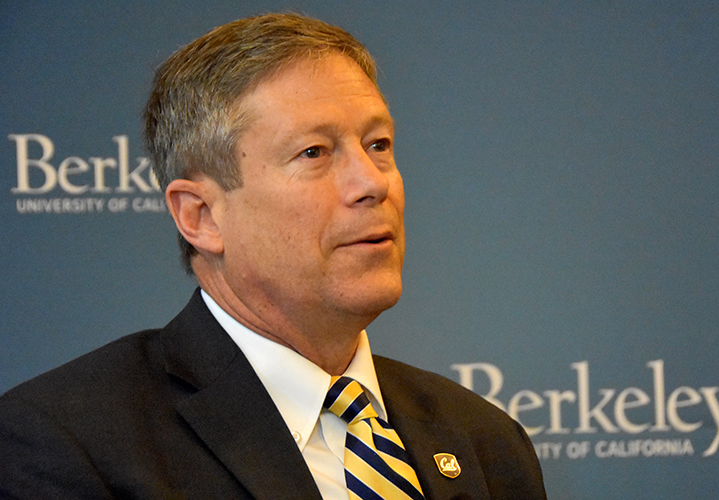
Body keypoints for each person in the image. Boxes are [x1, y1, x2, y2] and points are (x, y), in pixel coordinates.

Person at [0, 13, 546, 499]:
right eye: (314, 152)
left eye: (378, 144)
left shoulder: (484, 441)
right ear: (201, 217)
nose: (371, 183)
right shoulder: (66, 443)